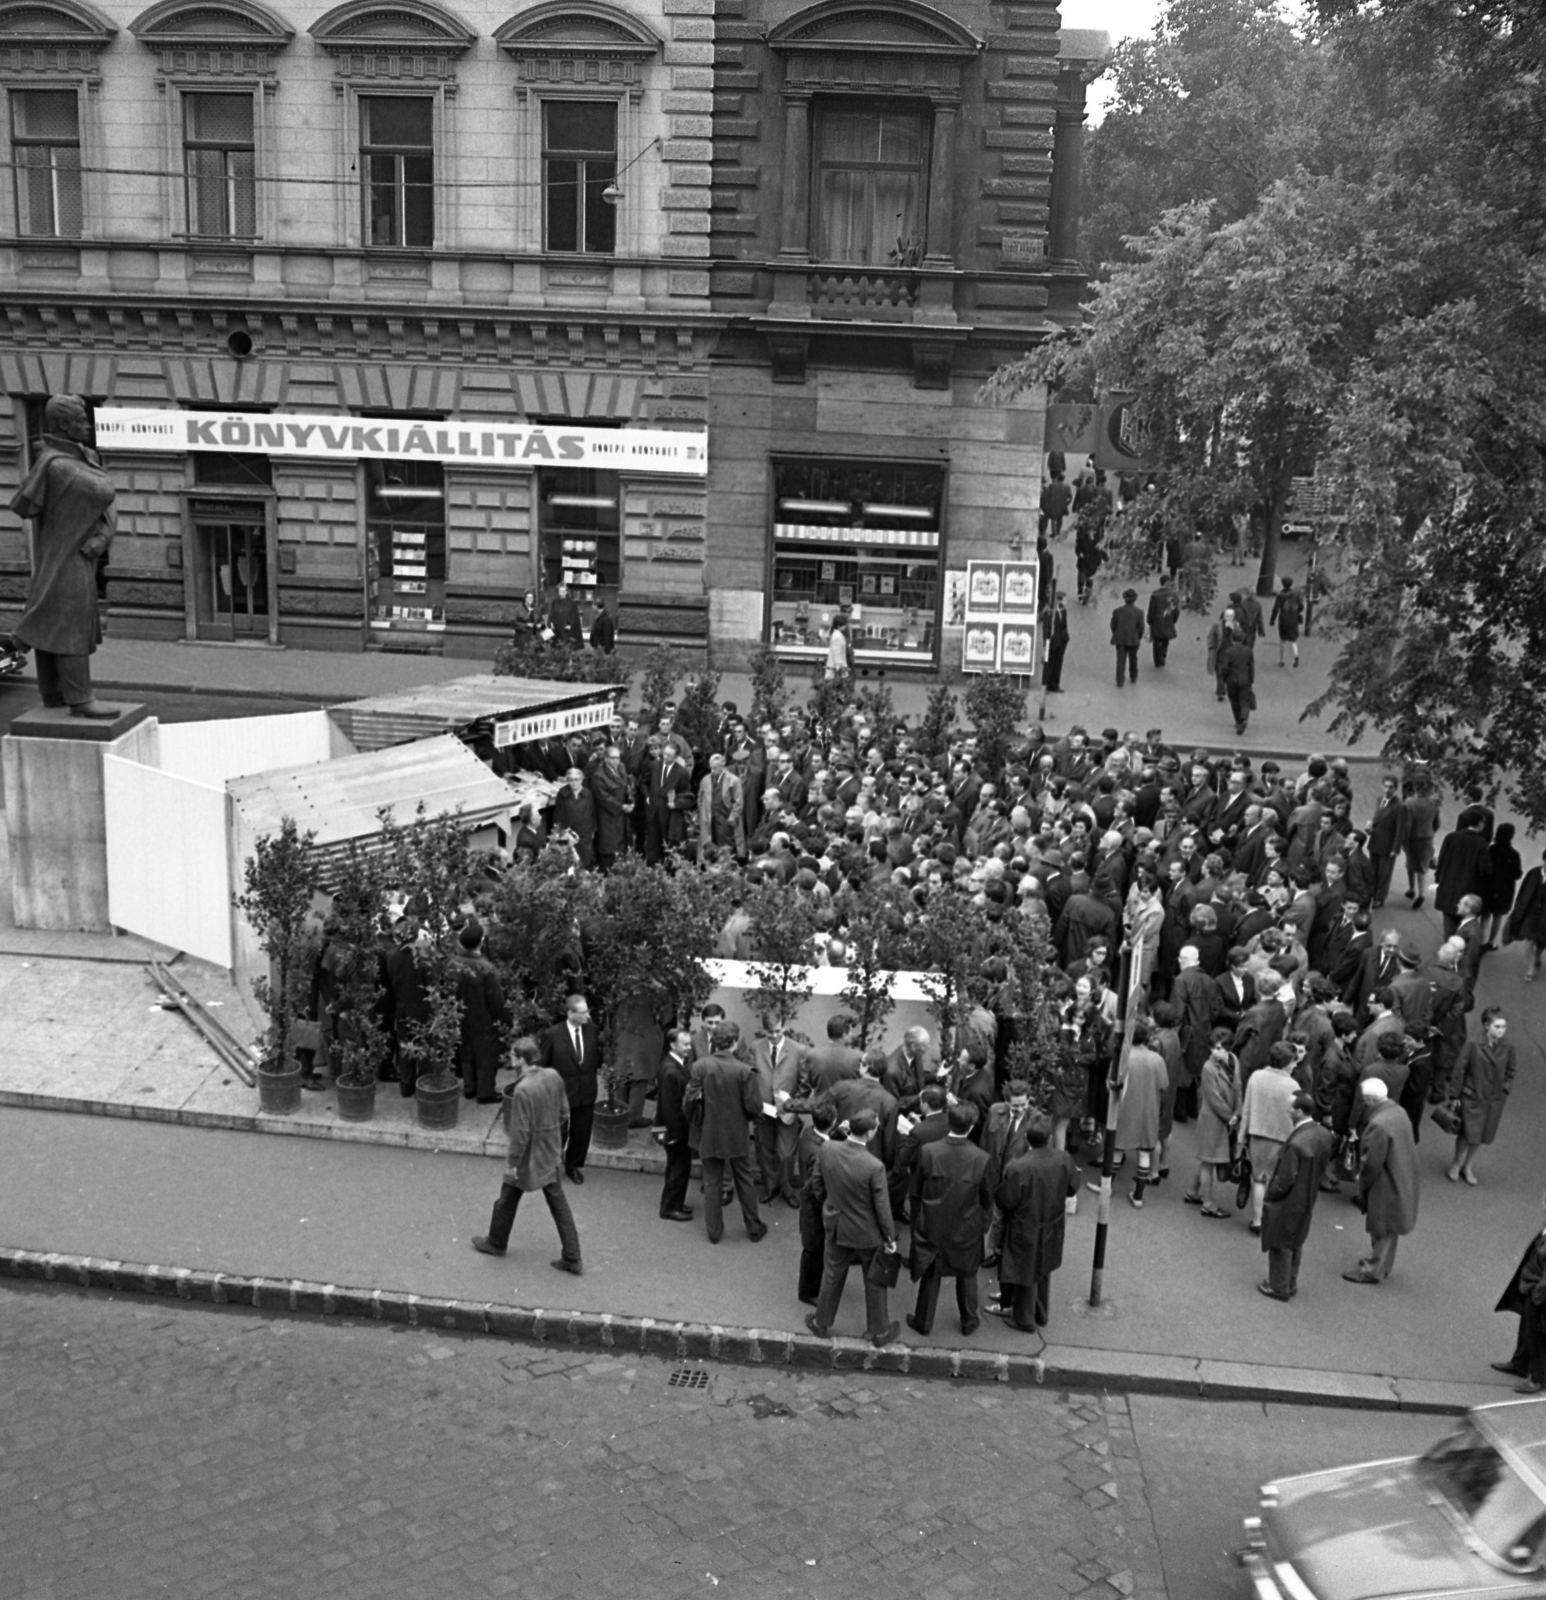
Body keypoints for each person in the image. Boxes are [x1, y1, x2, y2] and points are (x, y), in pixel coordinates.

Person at [5, 393, 118, 719]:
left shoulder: (72, 460)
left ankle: (53, 694)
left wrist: (103, 535)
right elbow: (104, 492)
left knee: (51, 622)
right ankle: (80, 699)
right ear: (63, 426)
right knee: (68, 624)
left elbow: (105, 498)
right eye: (81, 421)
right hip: (64, 560)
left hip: (69, 557)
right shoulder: (59, 466)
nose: (88, 425)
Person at [471, 1040, 583, 1275]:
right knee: (557, 1203)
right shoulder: (553, 1076)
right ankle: (572, 1256)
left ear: (521, 1059)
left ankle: (496, 1242)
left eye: (513, 1055)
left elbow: (519, 1135)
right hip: (550, 1150)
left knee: (507, 1195)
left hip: (529, 1156)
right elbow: (564, 1113)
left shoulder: (523, 1090)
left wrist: (512, 1164)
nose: (510, 1058)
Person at [805, 1108, 900, 1347]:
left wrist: (829, 1203)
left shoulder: (828, 1149)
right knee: (874, 1280)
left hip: (836, 1223)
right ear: (869, 1134)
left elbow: (817, 1182)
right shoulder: (874, 1166)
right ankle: (879, 1331)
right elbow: (882, 1207)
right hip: (867, 1232)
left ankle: (821, 1323)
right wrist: (890, 1237)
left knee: (832, 1274)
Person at [906, 1102, 992, 1339]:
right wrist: (982, 1225)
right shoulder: (981, 1158)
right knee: (967, 1274)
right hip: (966, 1226)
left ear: (948, 1122)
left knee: (931, 1273)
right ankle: (969, 1320)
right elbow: (987, 1197)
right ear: (972, 1126)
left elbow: (915, 1190)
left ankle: (923, 1320)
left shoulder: (929, 1152)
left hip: (933, 1223)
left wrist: (918, 1223)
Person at [992, 1115, 1079, 1332]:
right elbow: (1072, 1188)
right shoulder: (1063, 1159)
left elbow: (1005, 1200)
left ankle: (1024, 1319)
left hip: (1024, 1226)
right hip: (1052, 1224)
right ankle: (1041, 1313)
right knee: (1043, 1269)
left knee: (1024, 1272)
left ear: (1027, 1138)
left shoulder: (1018, 1167)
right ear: (1049, 1137)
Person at [686, 1019, 767, 1244]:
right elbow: (753, 1106)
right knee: (744, 1179)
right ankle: (754, 1227)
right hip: (736, 1133)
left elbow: (689, 1099)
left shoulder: (700, 1066)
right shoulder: (745, 1070)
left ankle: (714, 1232)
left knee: (712, 1182)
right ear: (733, 1042)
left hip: (709, 1132)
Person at [1257, 1091, 1337, 1300]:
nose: (1288, 1110)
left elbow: (1285, 1180)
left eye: (1291, 1107)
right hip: (1308, 1195)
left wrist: (1269, 1194)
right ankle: (1290, 1283)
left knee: (1280, 1242)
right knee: (1296, 1240)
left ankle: (1279, 1286)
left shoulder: (1296, 1144)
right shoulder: (1323, 1134)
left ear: (1299, 1112)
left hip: (1289, 1199)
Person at [1343, 1078, 1419, 1285]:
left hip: (1385, 1183)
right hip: (1401, 1175)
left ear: (1369, 1098)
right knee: (1388, 1226)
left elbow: (1371, 1162)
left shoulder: (1377, 1124)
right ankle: (1380, 1263)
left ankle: (1372, 1269)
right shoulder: (1398, 1112)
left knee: (1382, 1226)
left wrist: (1361, 1181)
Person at [1445, 1007, 1517, 1187]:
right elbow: (1460, 1068)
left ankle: (1468, 1165)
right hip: (1473, 1095)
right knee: (1466, 1132)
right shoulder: (1473, 1043)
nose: (1501, 1031)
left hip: (1494, 1099)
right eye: (1497, 1026)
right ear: (1486, 1026)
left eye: (1504, 1027)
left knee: (1483, 1133)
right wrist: (1455, 1094)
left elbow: (1511, 1071)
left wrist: (1505, 1089)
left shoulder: (1508, 1047)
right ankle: (1457, 1163)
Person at [537, 992, 599, 1184]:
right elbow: (542, 1066)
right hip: (561, 1093)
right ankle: (551, 1166)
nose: (588, 1016)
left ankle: (573, 1166)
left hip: (586, 1090)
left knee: (581, 1133)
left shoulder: (592, 1030)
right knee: (558, 1134)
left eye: (588, 1011)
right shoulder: (553, 1035)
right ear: (570, 1013)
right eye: (583, 1012)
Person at [1240, 1041, 1299, 1235]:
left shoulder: (1256, 1077)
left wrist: (1241, 1138)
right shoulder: (1292, 1085)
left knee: (1258, 1179)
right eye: (1293, 1061)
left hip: (1257, 1135)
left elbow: (1246, 1109)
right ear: (1286, 1062)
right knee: (1275, 1182)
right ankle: (1271, 1221)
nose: (1295, 1064)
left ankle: (1257, 1221)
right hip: (1282, 1138)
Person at [1111, 1016, 1169, 1207]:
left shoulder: (1123, 1058)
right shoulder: (1157, 1059)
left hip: (1126, 1109)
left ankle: (1107, 1186)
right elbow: (1164, 1085)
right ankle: (1138, 1196)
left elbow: (1112, 1084)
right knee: (1144, 1154)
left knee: (1118, 1149)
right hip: (1148, 1112)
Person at [1492, 1193, 1546, 1394]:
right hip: (1531, 1285)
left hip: (1538, 1292)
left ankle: (1539, 1378)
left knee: (1537, 1334)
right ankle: (1520, 1364)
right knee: (1526, 1328)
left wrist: (1537, 1295)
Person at [452, 920, 509, 1103]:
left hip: (461, 1017)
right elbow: (496, 1000)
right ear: (481, 941)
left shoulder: (454, 963)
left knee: (466, 1053)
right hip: (483, 1019)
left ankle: (470, 1087)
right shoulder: (485, 968)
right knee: (485, 1057)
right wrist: (503, 1020)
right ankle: (485, 1092)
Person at [1184, 1029, 1239, 1218]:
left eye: (1220, 1048)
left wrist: (1237, 1111)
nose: (1215, 1052)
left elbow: (1238, 1087)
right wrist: (1230, 1117)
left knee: (1208, 1160)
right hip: (1213, 1121)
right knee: (1209, 1162)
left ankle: (1193, 1191)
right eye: (1214, 1048)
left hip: (1225, 1120)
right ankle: (1208, 1204)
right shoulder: (1208, 1068)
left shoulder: (1234, 1061)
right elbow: (1213, 1098)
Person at [654, 1028, 695, 1222]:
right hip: (675, 1130)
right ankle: (670, 1207)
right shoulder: (671, 1070)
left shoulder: (673, 1064)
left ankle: (674, 1202)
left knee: (676, 1166)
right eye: (685, 1044)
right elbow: (670, 1107)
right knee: (679, 1167)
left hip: (672, 1129)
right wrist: (677, 1134)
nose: (689, 1048)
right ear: (672, 1045)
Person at [1435, 814, 1492, 938]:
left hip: (1448, 885)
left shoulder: (1451, 837)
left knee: (1448, 919)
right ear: (1480, 823)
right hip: (1468, 888)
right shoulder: (1481, 843)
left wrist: (1439, 877)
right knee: (1463, 922)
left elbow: (1442, 859)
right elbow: (1485, 869)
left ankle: (1448, 946)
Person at [1364, 776, 1408, 910]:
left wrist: (1395, 848)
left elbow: (1400, 830)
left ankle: (1380, 898)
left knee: (1384, 873)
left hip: (1388, 845)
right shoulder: (1380, 800)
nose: (1388, 790)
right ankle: (1371, 894)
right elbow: (1377, 818)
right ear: (1382, 786)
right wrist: (1370, 828)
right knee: (1373, 871)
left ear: (1395, 788)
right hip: (1375, 841)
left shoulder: (1399, 806)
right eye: (1386, 786)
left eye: (1391, 787)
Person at [1506, 846, 1546, 982]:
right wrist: (1517, 910)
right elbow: (1523, 892)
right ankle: (1530, 968)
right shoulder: (1533, 873)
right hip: (1531, 912)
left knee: (1541, 941)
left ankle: (1539, 954)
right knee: (1529, 939)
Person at [698, 750, 746, 860]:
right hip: (710, 818)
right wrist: (703, 812)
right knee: (710, 845)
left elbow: (738, 802)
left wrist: (732, 818)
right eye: (711, 768)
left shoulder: (733, 780)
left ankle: (729, 867)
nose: (712, 771)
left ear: (723, 765)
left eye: (715, 768)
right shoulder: (706, 779)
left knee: (727, 846)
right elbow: (700, 797)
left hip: (726, 817)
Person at [1483, 822, 1522, 950]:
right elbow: (1517, 874)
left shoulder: (1491, 849)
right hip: (1505, 889)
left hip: (1489, 885)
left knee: (1485, 914)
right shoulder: (1514, 854)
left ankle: (1481, 941)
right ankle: (1490, 941)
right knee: (1498, 915)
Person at [551, 766, 597, 868]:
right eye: (571, 780)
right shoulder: (562, 793)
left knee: (585, 862)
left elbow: (592, 814)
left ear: (581, 780)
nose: (574, 782)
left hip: (584, 835)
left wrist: (592, 831)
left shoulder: (587, 794)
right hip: (568, 835)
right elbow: (558, 816)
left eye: (576, 780)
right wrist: (562, 832)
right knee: (569, 864)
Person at [1218, 631, 1255, 736]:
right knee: (1245, 701)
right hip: (1244, 679)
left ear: (1232, 639)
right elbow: (1251, 667)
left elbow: (1224, 667)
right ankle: (1244, 718)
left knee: (1234, 701)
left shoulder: (1228, 651)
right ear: (1242, 638)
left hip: (1232, 679)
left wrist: (1224, 679)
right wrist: (1251, 680)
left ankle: (1238, 721)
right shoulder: (1248, 651)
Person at [1110, 588, 1145, 687]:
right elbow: (1141, 627)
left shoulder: (1118, 611)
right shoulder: (1139, 612)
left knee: (1120, 659)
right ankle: (1133, 675)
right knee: (1133, 658)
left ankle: (1119, 680)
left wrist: (1117, 633)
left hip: (1120, 638)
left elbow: (1113, 624)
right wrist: (1138, 637)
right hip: (1133, 639)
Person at [1269, 576, 1303, 668]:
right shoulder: (1295, 594)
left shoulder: (1280, 595)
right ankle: (1296, 655)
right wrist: (1297, 612)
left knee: (1282, 639)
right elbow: (1301, 606)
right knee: (1293, 639)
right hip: (1293, 618)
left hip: (1283, 618)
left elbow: (1276, 609)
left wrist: (1272, 620)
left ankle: (1282, 659)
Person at [1146, 577, 1179, 668]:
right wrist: (1174, 619)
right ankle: (1163, 654)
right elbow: (1176, 609)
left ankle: (1156, 659)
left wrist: (1149, 620)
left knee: (1156, 639)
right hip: (1168, 618)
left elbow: (1151, 608)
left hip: (1157, 619)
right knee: (1165, 638)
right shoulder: (1173, 595)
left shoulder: (1155, 594)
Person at [1043, 591, 1070, 692]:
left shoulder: (1063, 611)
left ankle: (1055, 683)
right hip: (1053, 642)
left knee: (1058, 663)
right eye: (1065, 599)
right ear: (1060, 599)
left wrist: (1066, 637)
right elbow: (1046, 629)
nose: (1066, 601)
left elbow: (1065, 625)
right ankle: (1047, 683)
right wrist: (1045, 643)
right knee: (1050, 663)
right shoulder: (1049, 612)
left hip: (1061, 641)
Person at [546, 580, 583, 647]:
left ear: (566, 592)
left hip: (567, 631)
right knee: (556, 647)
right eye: (560, 591)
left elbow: (574, 616)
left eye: (563, 591)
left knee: (566, 647)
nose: (562, 593)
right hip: (556, 630)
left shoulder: (572, 603)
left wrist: (570, 625)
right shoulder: (554, 602)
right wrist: (550, 623)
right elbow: (551, 614)